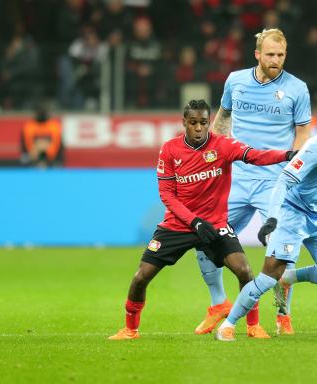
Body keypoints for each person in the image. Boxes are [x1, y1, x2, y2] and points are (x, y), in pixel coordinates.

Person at [108, 99, 298, 340]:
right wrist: (194, 221)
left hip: (215, 224)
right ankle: (130, 329)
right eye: (193, 123)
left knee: (245, 271)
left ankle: (253, 326)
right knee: (140, 277)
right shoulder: (169, 149)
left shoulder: (223, 145)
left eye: (204, 123)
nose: (199, 128)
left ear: (209, 123)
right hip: (177, 225)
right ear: (184, 122)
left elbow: (255, 156)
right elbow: (167, 194)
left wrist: (287, 154)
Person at [193, 28, 312, 338]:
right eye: (270, 54)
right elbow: (222, 120)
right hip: (236, 177)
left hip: (274, 181)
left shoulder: (297, 89)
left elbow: (302, 134)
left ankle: (283, 314)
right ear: (257, 54)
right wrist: (211, 154)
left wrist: (294, 167)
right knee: (205, 237)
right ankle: (218, 303)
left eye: (281, 55)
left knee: (280, 252)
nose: (276, 60)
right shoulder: (236, 81)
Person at [215, 97, 317, 342]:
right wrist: (272, 219)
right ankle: (228, 325)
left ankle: (290, 277)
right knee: (266, 278)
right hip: (292, 212)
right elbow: (284, 180)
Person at [20, 103, 64, 168]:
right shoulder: (29, 127)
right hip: (32, 158)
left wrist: (46, 149)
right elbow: (25, 147)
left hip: (51, 159)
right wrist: (35, 151)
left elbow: (58, 146)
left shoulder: (54, 127)